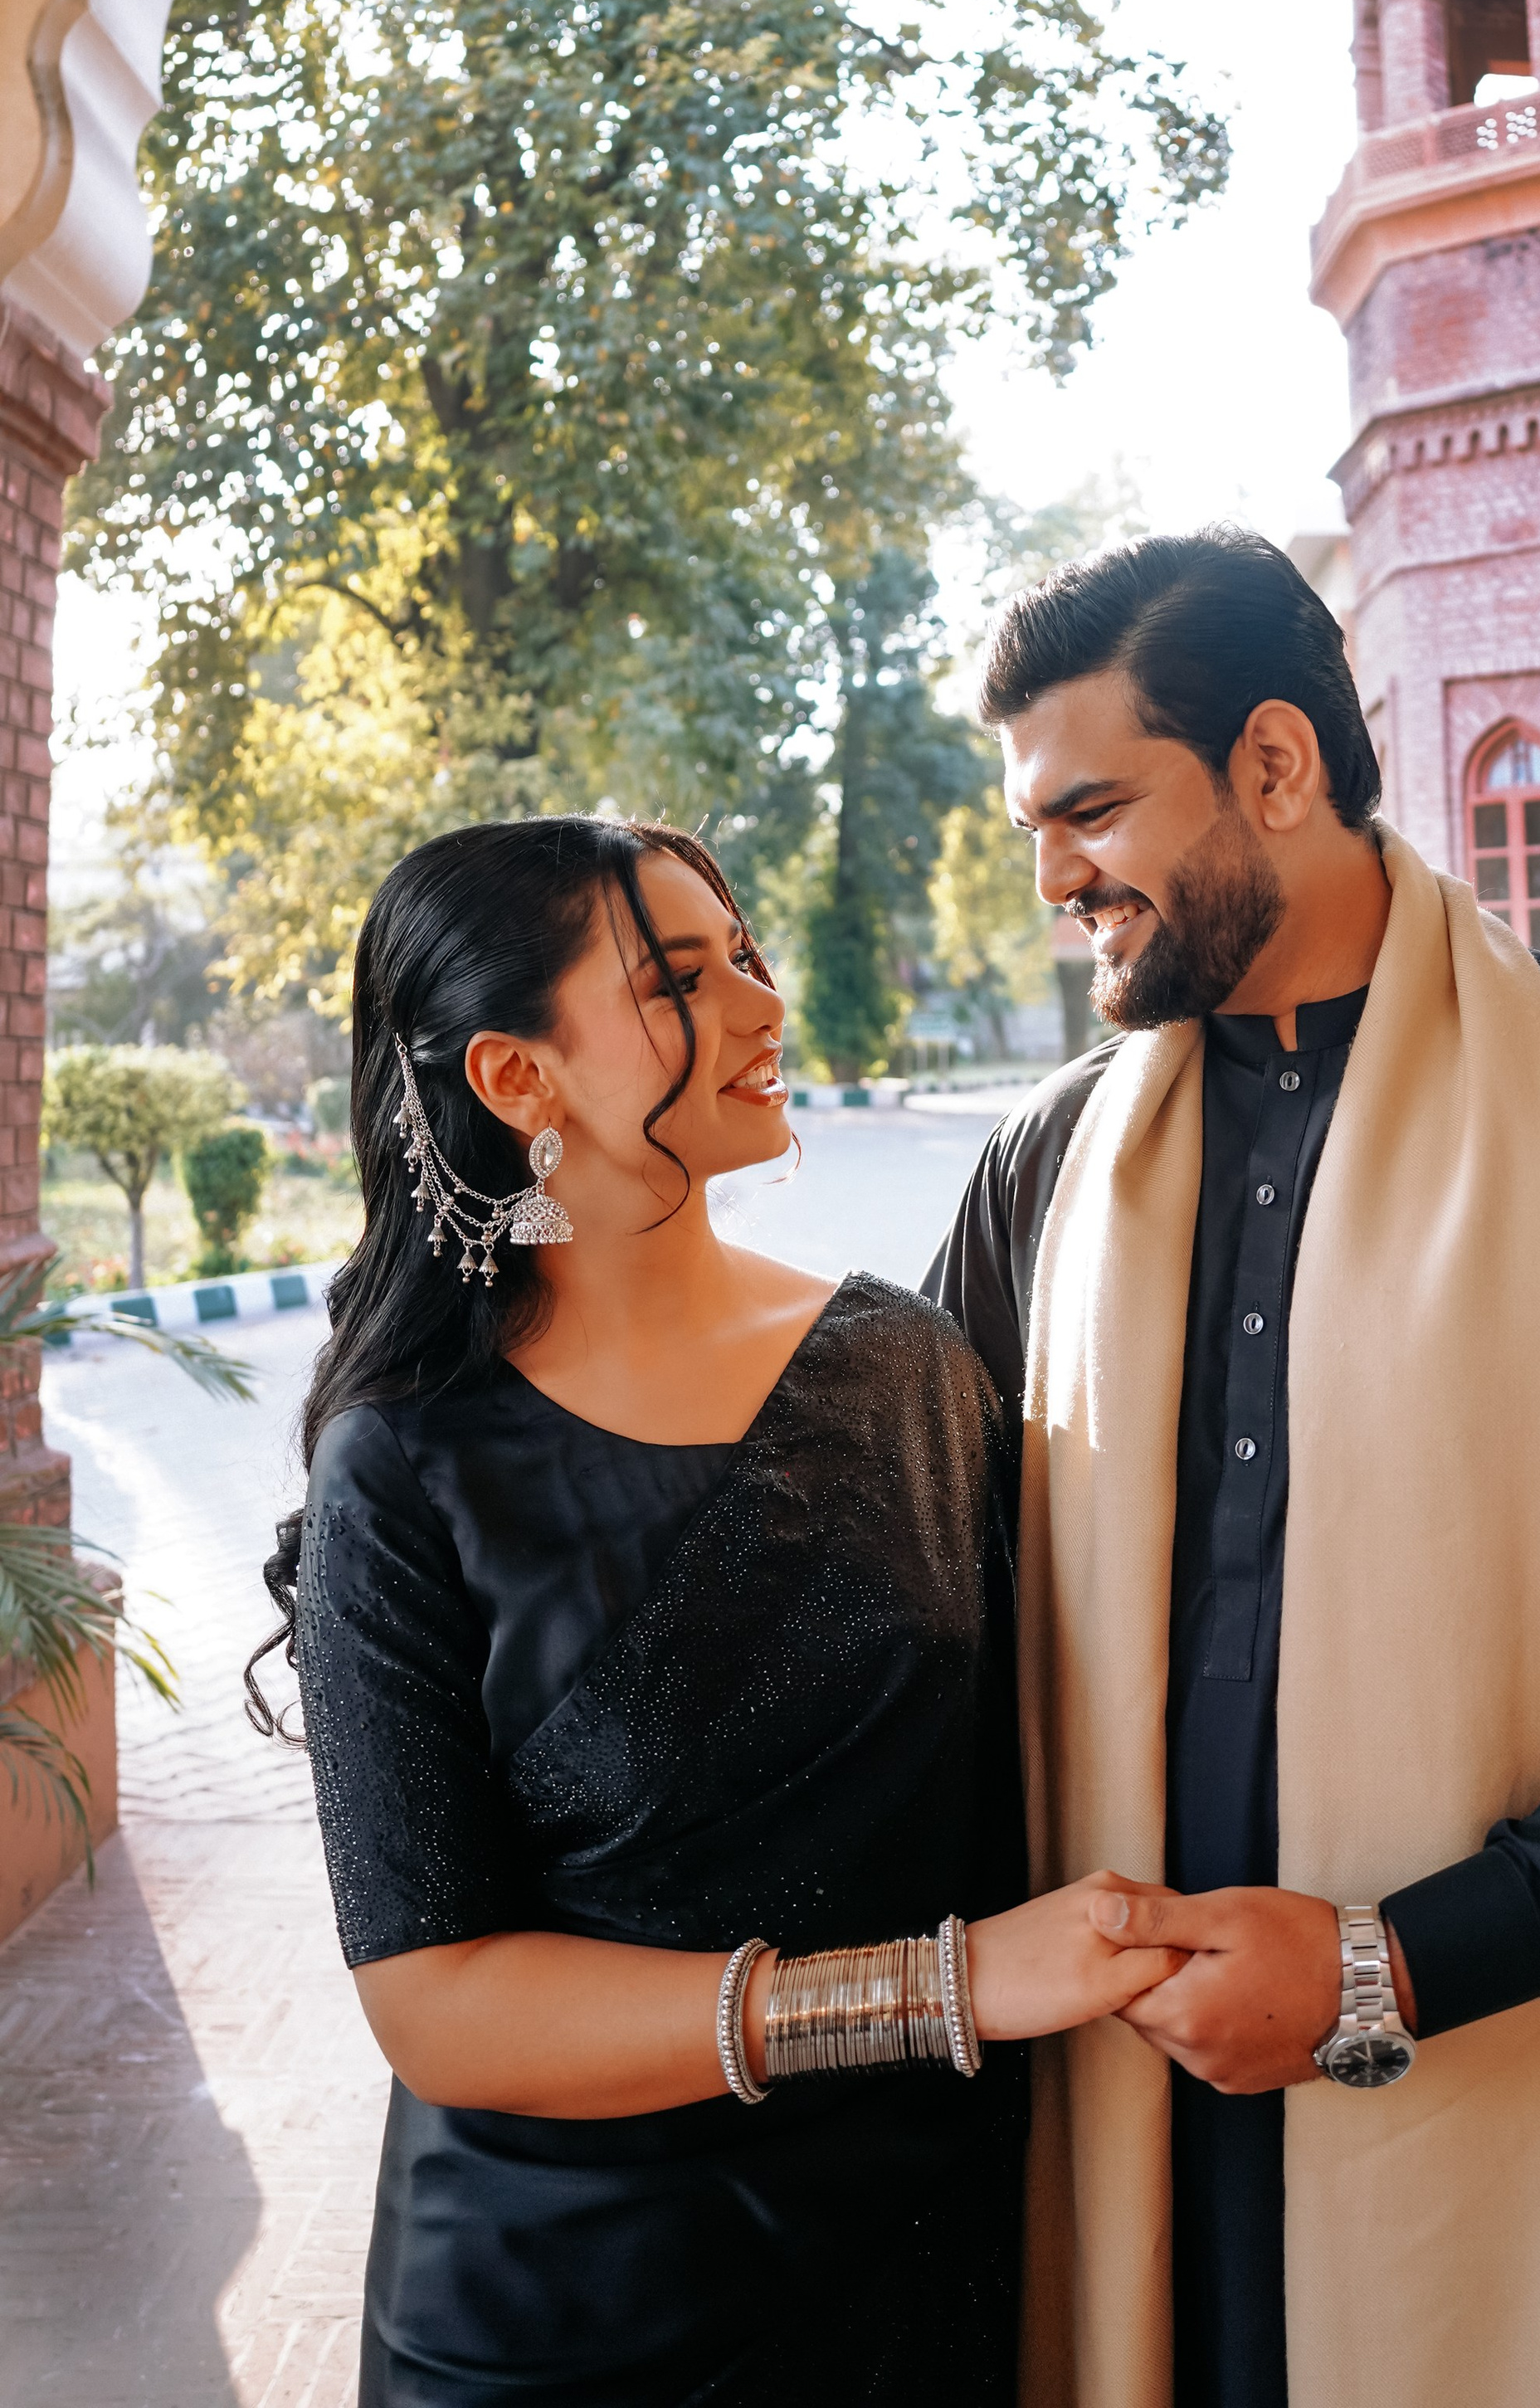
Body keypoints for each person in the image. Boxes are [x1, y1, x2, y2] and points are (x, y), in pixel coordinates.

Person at [924, 528, 1540, 2408]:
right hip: (1144, 2135)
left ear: (1275, 765)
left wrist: (1398, 1966)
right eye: (1034, 835)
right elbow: (916, 1582)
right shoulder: (1045, 1177)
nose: (1057, 880)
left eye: (1090, 813)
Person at [246, 813, 1175, 2408]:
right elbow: (440, 2006)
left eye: (743, 953)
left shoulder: (906, 1368)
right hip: (567, 2312)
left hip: (912, 2263)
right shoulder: (404, 1466)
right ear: (514, 1079)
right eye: (683, 978)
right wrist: (949, 1987)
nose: (761, 1004)